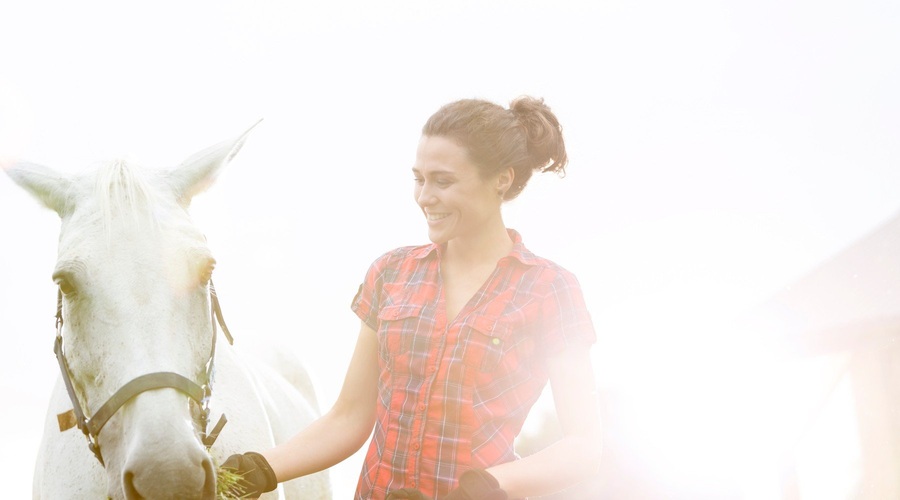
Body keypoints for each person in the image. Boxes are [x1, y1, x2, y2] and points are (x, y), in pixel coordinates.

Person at [223, 96, 602, 499]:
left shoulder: (548, 289)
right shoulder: (392, 274)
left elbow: (584, 445)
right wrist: (259, 469)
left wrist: (487, 487)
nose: (424, 197)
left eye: (443, 181)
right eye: (418, 178)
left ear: (501, 180)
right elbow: (349, 417)